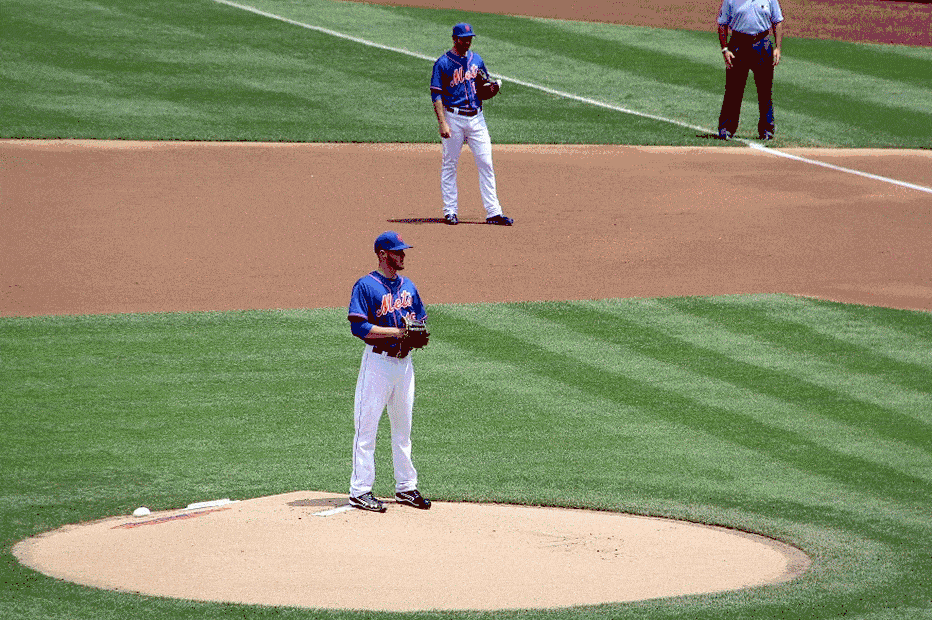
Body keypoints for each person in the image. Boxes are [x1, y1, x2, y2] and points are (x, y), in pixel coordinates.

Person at [346, 231, 431, 512]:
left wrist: (417, 335)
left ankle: (406, 487)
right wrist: (398, 331)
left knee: (403, 431)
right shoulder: (366, 286)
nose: (403, 255)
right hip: (378, 365)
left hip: (404, 366)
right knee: (366, 429)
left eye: (403, 251)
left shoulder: (409, 287)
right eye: (397, 251)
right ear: (383, 255)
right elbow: (359, 328)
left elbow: (420, 321)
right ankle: (360, 491)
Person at [430, 22, 514, 226]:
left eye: (469, 38)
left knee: (486, 163)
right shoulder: (443, 63)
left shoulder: (477, 60)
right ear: (454, 39)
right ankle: (450, 211)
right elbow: (436, 95)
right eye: (463, 38)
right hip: (453, 118)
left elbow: (483, 85)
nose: (467, 42)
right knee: (450, 165)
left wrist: (490, 89)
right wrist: (443, 123)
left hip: (477, 119)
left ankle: (494, 212)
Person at [716, 0, 784, 141]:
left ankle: (767, 130)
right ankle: (726, 128)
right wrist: (725, 49)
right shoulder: (731, 0)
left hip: (762, 43)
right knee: (734, 89)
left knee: (765, 90)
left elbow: (777, 21)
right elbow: (722, 24)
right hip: (738, 44)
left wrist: (777, 47)